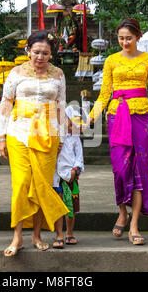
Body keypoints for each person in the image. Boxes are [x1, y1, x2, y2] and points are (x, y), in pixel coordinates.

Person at [87, 18, 148, 245]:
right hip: (117, 116)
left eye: (129, 38)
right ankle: (122, 212)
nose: (125, 42)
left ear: (138, 37)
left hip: (141, 118)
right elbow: (104, 94)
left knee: (141, 171)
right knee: (120, 169)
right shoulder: (111, 60)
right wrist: (90, 118)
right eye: (121, 38)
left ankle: (135, 225)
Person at [0, 30, 70, 256]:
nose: (40, 57)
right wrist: (1, 136)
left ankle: (36, 234)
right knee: (21, 184)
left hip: (48, 135)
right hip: (18, 133)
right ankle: (17, 237)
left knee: (42, 186)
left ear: (51, 54)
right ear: (28, 50)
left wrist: (62, 139)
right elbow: (6, 103)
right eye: (36, 52)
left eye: (45, 53)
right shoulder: (16, 72)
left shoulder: (58, 74)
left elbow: (61, 106)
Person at [52, 105, 85, 248]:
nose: (72, 128)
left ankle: (69, 233)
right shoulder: (54, 135)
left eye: (75, 126)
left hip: (71, 176)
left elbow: (79, 158)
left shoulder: (75, 139)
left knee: (70, 206)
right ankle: (59, 234)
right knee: (57, 205)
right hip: (56, 176)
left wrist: (75, 171)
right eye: (70, 124)